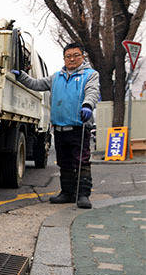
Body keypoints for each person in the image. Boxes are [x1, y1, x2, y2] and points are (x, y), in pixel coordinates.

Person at [12, 43, 100, 208]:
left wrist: (88, 105)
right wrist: (21, 76)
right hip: (59, 128)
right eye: (68, 56)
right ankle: (67, 192)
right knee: (64, 162)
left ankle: (83, 195)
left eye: (76, 55)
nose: (72, 59)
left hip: (79, 127)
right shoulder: (56, 77)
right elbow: (36, 84)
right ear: (64, 58)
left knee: (81, 162)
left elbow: (92, 92)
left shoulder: (90, 75)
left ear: (83, 57)